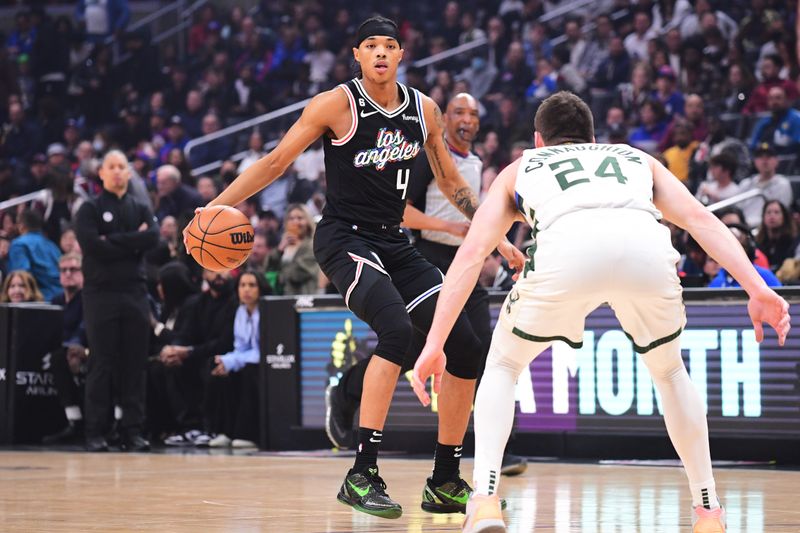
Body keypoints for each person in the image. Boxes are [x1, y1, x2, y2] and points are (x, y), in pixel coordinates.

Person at [186, 16, 524, 519]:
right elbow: (276, 162)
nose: (382, 53)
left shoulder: (424, 110)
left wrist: (495, 238)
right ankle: (361, 473)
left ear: (401, 55)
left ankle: (445, 478)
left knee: (467, 347)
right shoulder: (336, 105)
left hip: (395, 242)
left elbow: (453, 183)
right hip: (343, 237)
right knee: (395, 329)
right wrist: (213, 206)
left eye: (390, 45)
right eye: (372, 45)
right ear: (357, 55)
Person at [411, 92, 790, 533]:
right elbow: (701, 221)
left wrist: (435, 342)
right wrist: (758, 288)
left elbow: (472, 252)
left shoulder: (523, 166)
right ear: (593, 138)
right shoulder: (634, 158)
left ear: (538, 139)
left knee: (503, 363)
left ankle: (485, 500)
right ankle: (708, 509)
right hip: (645, 249)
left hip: (566, 252)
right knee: (670, 373)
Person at [75, 150, 159, 453]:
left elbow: (154, 238)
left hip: (135, 293)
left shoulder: (140, 206)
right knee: (102, 362)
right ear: (101, 173)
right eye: (111, 167)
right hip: (101, 294)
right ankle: (96, 431)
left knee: (135, 363)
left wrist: (111, 239)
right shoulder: (89, 208)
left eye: (122, 167)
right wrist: (130, 242)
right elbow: (92, 246)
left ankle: (132, 431)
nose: (117, 172)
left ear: (128, 172)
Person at [206, 270, 270, 448]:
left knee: (248, 372)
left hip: (266, 364)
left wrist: (233, 361)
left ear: (260, 288)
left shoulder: (266, 310)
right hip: (249, 360)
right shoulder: (240, 311)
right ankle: (226, 431)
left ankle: (247, 434)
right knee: (221, 370)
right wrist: (226, 361)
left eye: (251, 285)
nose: (246, 290)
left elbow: (261, 351)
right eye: (242, 285)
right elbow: (240, 347)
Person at [42, 253, 88, 444]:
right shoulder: (56, 301)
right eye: (64, 270)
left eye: (73, 269)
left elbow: (84, 330)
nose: (68, 274)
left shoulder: (89, 299)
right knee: (56, 357)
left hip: (89, 352)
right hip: (61, 354)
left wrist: (76, 348)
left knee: (61, 357)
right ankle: (73, 420)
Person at [7, 209, 62, 301]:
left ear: (21, 225)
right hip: (60, 299)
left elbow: (21, 277)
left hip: (38, 302)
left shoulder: (18, 245)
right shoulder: (53, 246)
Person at [266, 203, 319, 295]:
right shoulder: (283, 245)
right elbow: (268, 268)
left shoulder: (313, 245)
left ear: (308, 221)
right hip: (281, 299)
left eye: (300, 218)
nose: (295, 222)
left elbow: (297, 274)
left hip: (304, 299)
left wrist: (276, 277)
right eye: (291, 218)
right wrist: (279, 250)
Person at [738, 143, 793, 228]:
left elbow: (781, 215)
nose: (764, 160)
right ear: (755, 161)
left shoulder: (782, 184)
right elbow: (737, 209)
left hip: (765, 229)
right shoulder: (746, 183)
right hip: (742, 227)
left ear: (776, 161)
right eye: (760, 157)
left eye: (768, 157)